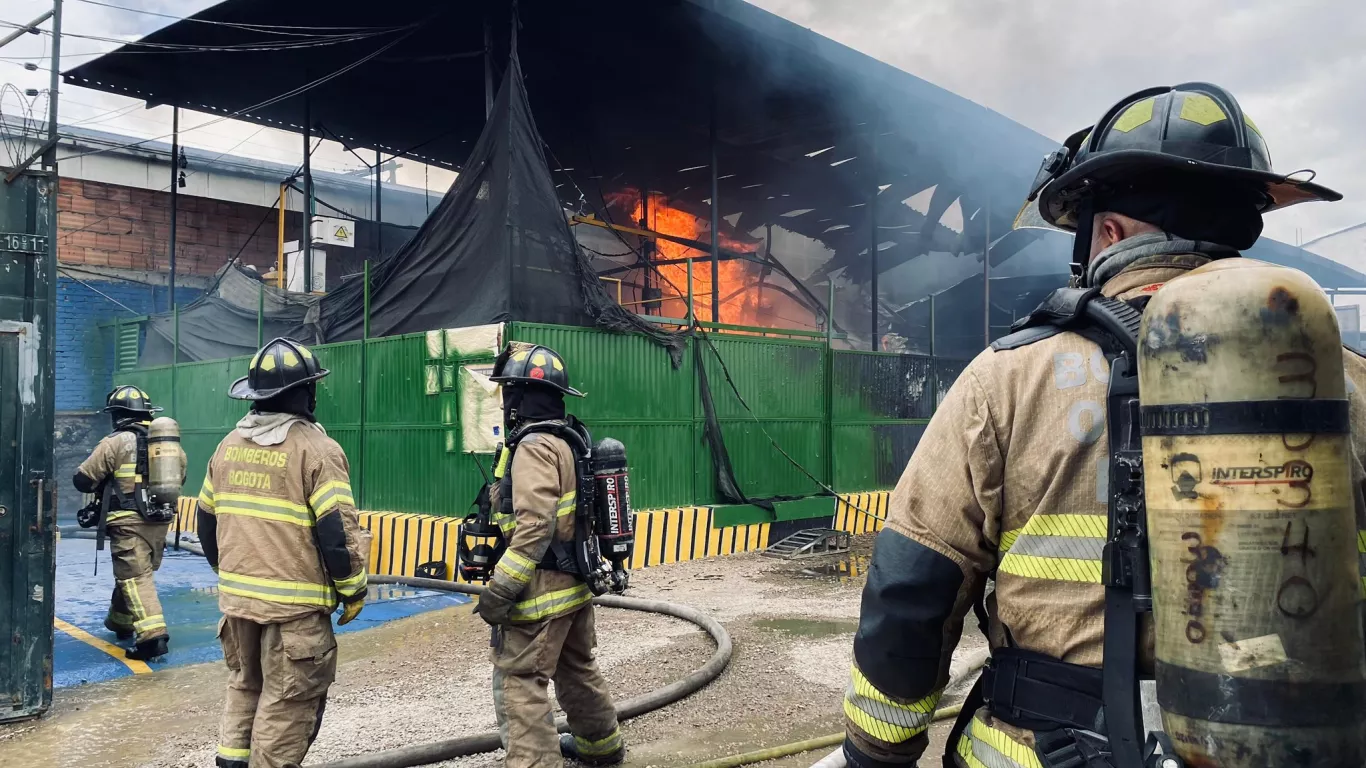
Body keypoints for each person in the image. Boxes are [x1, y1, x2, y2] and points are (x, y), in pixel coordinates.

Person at [840, 83, 1359, 768]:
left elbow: (913, 587)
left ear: (1108, 231)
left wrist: (877, 753)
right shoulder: (1345, 381)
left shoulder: (1009, 378)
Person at [197, 337, 369, 768]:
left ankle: (232, 762)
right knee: (287, 701)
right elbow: (337, 534)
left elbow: (205, 521)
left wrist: (232, 572)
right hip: (294, 611)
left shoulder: (227, 445)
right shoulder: (316, 449)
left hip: (238, 605)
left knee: (244, 684)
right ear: (307, 392)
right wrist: (353, 590)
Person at [479, 342, 624, 768]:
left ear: (520, 395)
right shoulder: (570, 439)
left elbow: (535, 526)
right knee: (577, 667)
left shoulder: (534, 446)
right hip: (575, 583)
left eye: (508, 391)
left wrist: (501, 590)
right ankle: (602, 748)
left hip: (540, 591)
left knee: (520, 680)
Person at [73, 385, 184, 661]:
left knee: (134, 577)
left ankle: (152, 638)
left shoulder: (115, 442)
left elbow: (83, 479)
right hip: (160, 521)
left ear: (118, 415)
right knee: (138, 573)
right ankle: (120, 622)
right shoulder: (169, 446)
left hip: (127, 520)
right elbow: (180, 478)